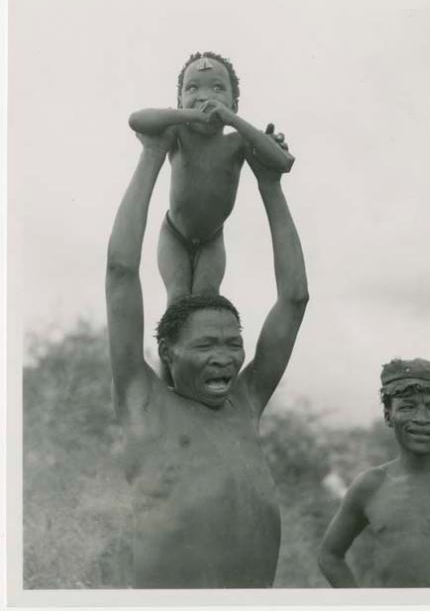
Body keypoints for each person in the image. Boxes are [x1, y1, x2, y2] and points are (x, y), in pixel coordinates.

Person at [105, 123, 308, 588]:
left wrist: (270, 185)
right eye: (205, 345)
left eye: (233, 343)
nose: (225, 358)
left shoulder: (245, 404)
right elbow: (120, 273)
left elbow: (294, 300)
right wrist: (153, 153)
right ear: (167, 352)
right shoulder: (144, 402)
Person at [129, 51, 295, 306]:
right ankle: (172, 345)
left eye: (217, 88)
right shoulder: (178, 135)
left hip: (212, 240)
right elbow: (136, 120)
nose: (204, 96)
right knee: (178, 301)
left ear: (234, 104)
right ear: (180, 101)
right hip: (174, 235)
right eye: (192, 88)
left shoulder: (237, 142)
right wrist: (189, 115)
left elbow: (283, 162)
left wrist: (233, 121)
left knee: (207, 301)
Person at [318, 358, 430, 588]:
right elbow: (329, 555)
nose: (422, 419)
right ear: (389, 416)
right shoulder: (370, 485)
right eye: (408, 407)